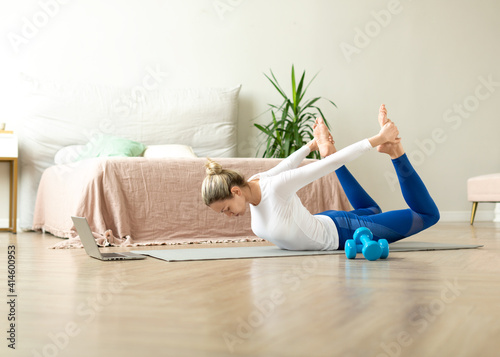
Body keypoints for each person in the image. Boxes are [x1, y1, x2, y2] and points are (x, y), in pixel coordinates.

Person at [201, 105, 439, 251]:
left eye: (226, 209)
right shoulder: (255, 182)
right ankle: (332, 150)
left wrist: (378, 138)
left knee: (427, 216)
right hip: (324, 221)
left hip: (343, 232)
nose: (228, 215)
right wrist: (310, 146)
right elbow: (286, 164)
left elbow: (328, 166)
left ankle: (395, 152)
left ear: (235, 191)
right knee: (371, 209)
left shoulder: (275, 189)